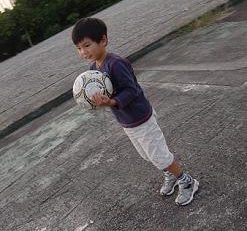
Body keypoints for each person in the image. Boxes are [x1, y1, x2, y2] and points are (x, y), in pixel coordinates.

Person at [71, 17, 199, 206]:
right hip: (127, 121)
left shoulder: (116, 63)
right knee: (146, 155)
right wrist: (97, 102)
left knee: (159, 155)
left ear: (103, 40)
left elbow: (132, 90)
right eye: (79, 48)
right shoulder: (93, 71)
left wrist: (112, 101)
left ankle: (186, 181)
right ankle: (169, 175)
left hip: (141, 118)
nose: (83, 52)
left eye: (87, 45)